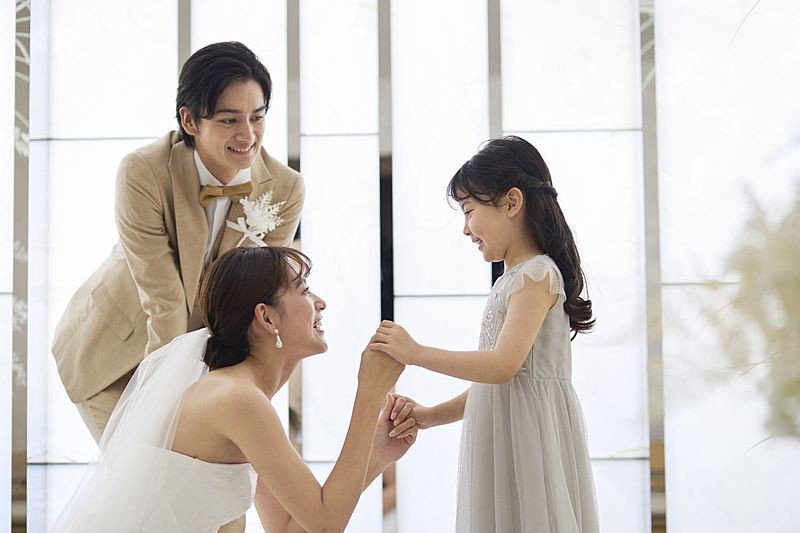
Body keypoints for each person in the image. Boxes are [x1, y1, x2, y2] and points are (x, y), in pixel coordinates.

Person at [53, 246, 413, 532]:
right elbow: (324, 524)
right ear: (267, 318)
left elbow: (290, 528)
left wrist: (377, 457)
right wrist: (369, 394)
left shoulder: (242, 396)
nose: (321, 302)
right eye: (304, 290)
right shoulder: (237, 399)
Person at [51, 41, 304, 447]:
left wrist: (231, 393)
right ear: (189, 120)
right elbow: (163, 298)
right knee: (143, 475)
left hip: (206, 361)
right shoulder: (144, 172)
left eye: (257, 117)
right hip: (111, 356)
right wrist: (163, 403)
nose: (247, 135)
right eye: (229, 120)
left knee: (200, 478)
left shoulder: (285, 189)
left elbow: (253, 299)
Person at [371, 136, 600, 532]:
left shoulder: (537, 274)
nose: (465, 229)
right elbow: (498, 384)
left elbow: (501, 367)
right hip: (513, 436)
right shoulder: (515, 279)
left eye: (469, 211)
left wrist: (415, 352)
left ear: (511, 203)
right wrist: (429, 416)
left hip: (529, 442)